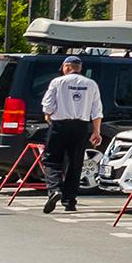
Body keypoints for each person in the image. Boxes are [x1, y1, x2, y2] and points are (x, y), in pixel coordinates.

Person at [40, 54, 106, 213]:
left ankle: (54, 189)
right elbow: (97, 110)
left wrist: (48, 115)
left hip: (59, 124)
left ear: (67, 67)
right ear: (80, 68)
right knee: (75, 163)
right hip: (81, 126)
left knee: (51, 160)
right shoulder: (91, 84)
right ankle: (70, 201)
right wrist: (96, 131)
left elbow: (47, 106)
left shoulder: (57, 82)